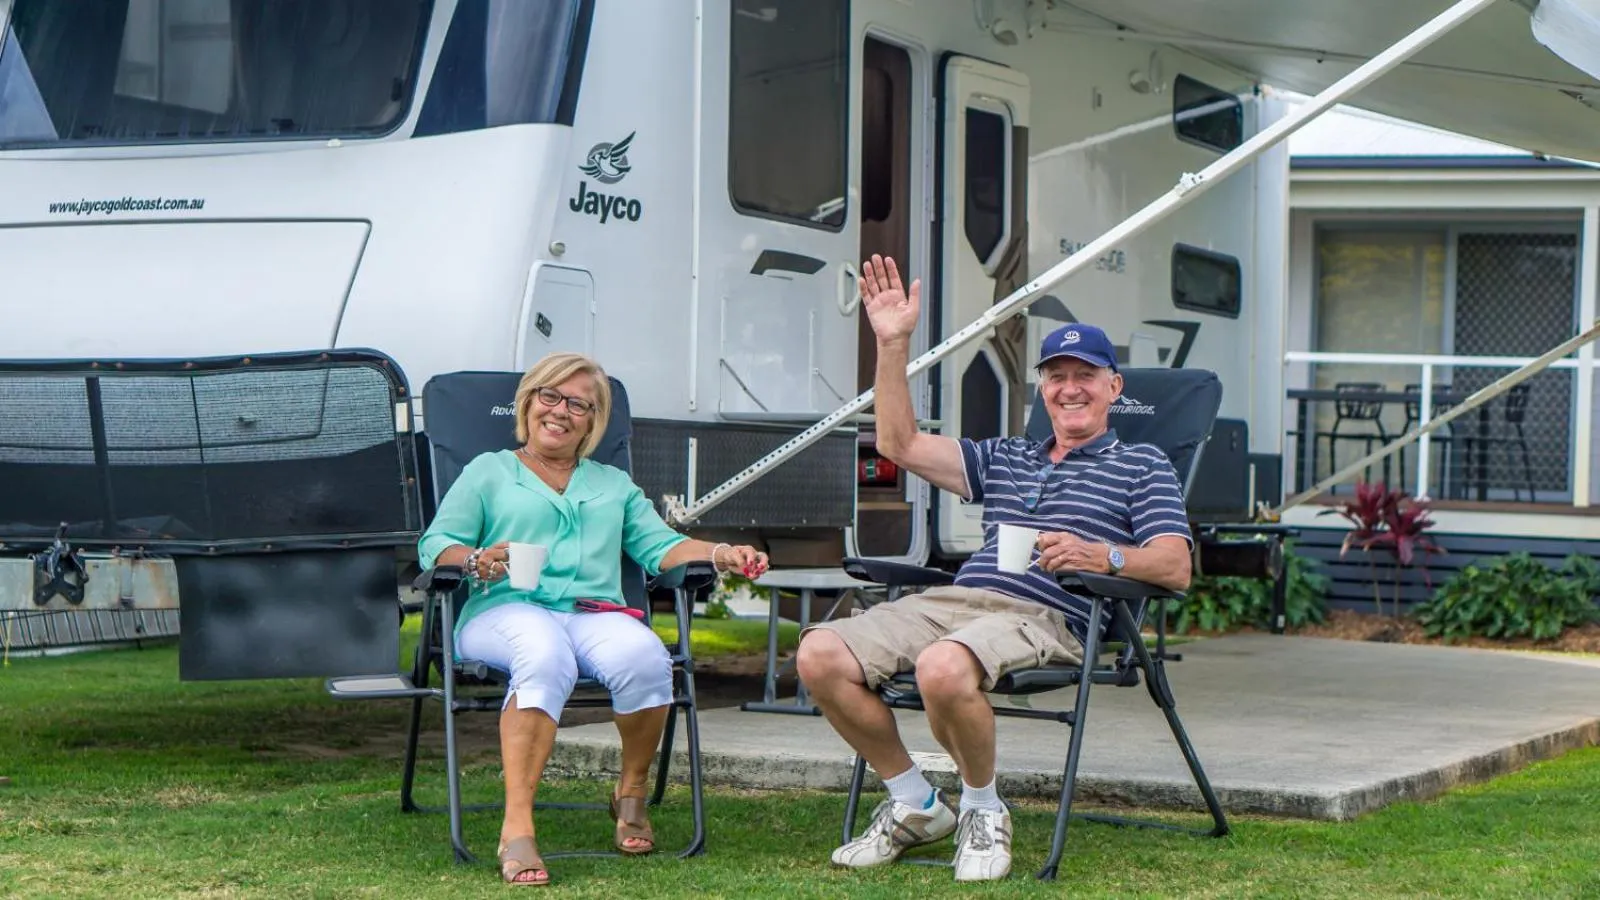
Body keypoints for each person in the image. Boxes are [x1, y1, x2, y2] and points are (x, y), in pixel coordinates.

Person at [796, 256, 1193, 882]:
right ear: (1042, 389)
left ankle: (983, 808)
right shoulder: (1005, 457)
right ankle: (914, 802)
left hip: (1051, 614)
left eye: (1085, 374)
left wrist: (1104, 556)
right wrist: (892, 343)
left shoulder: (1143, 466)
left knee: (943, 666)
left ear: (1114, 387)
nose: (1070, 388)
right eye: (1056, 376)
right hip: (961, 600)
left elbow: (1176, 566)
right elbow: (900, 446)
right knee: (820, 655)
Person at [418, 351, 769, 886]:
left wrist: (722, 553)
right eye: (549, 396)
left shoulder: (613, 486)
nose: (560, 411)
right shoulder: (489, 472)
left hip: (590, 612)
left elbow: (662, 547)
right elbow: (435, 545)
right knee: (542, 653)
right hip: (502, 609)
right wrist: (474, 559)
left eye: (577, 403)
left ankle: (629, 795)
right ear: (528, 402)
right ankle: (517, 827)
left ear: (593, 420)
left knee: (646, 658)